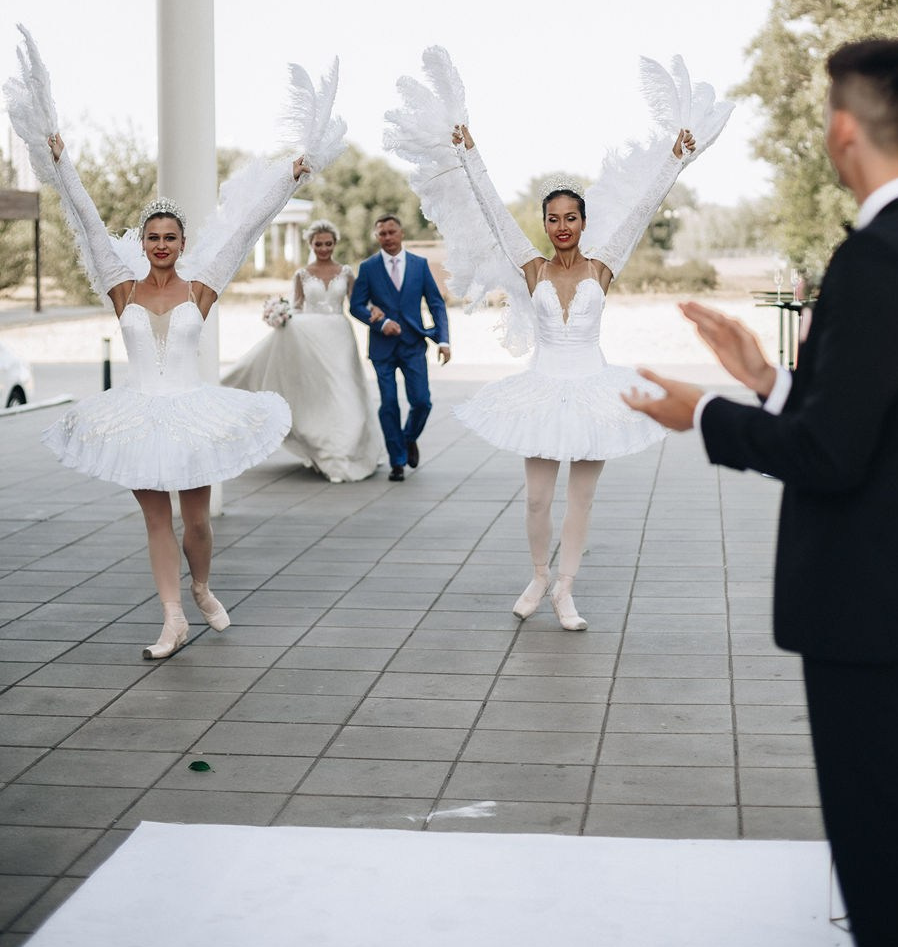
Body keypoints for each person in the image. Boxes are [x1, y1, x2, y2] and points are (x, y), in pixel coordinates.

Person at [623, 38, 898, 947]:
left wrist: (707, 414)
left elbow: (831, 456)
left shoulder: (876, 258)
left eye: (823, 115)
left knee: (879, 847)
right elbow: (872, 425)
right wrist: (769, 378)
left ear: (844, 127)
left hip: (858, 599)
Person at [3, 26, 346, 661]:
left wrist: (292, 175)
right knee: (154, 519)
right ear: (143, 241)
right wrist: (61, 161)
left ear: (181, 244)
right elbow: (80, 214)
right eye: (152, 236)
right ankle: (171, 618)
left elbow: (245, 225)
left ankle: (203, 584)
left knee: (196, 523)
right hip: (138, 412)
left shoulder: (201, 288)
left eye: (170, 237)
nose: (160, 245)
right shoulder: (121, 287)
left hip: (192, 412)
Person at [383, 46, 732, 630]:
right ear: (545, 224)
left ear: (584, 222)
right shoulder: (532, 269)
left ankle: (566, 589)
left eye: (571, 217)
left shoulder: (602, 264)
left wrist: (675, 161)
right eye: (553, 218)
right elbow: (493, 211)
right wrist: (469, 155)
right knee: (537, 499)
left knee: (583, 498)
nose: (562, 226)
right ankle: (539, 576)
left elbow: (644, 209)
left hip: (595, 389)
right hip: (543, 390)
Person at [223, 219, 380, 481]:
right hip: (309, 339)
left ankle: (348, 448)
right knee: (320, 392)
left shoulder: (346, 272)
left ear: (334, 244)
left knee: (346, 389)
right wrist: (280, 316)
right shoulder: (302, 274)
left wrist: (374, 310)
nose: (323, 248)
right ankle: (326, 446)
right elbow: (296, 307)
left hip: (340, 336)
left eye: (328, 243)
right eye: (318, 244)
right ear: (311, 244)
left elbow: (357, 304)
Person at [349, 214, 450, 481]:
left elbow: (436, 303)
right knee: (389, 403)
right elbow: (356, 305)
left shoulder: (419, 265)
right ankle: (397, 461)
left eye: (392, 232)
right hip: (382, 348)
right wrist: (380, 324)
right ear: (376, 236)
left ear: (401, 233)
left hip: (413, 344)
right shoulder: (368, 267)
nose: (388, 237)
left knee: (422, 401)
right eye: (382, 233)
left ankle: (407, 439)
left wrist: (444, 340)